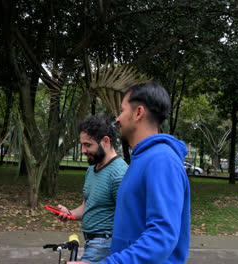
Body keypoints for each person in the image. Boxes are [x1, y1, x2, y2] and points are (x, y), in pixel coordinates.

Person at [69, 81, 191, 264]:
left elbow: (161, 237)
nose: (117, 119)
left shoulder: (161, 160)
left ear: (138, 113)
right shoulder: (142, 159)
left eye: (122, 110)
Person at [56, 115, 128, 264]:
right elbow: (87, 206)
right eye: (82, 145)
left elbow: (129, 220)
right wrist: (69, 213)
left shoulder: (119, 174)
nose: (83, 150)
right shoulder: (91, 170)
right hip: (90, 242)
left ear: (106, 141)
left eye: (88, 145)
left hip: (106, 245)